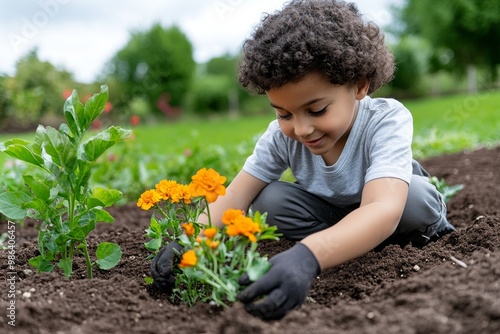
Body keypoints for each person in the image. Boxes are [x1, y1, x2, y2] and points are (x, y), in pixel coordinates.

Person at [151, 0, 455, 321]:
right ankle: (347, 241)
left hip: (394, 215)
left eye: (317, 110)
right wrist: (190, 240)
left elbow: (383, 208)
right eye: (284, 113)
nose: (301, 128)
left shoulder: (386, 119)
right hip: (332, 215)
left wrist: (309, 256)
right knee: (268, 200)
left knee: (414, 201)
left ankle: (419, 231)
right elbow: (235, 195)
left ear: (360, 84)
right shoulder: (282, 136)